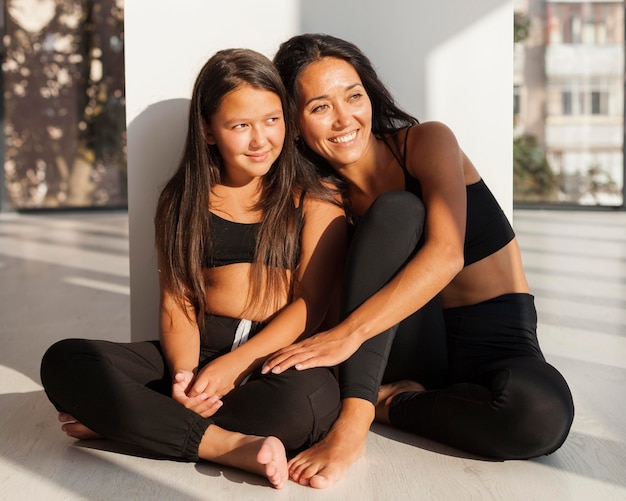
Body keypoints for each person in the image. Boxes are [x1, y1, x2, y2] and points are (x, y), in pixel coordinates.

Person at [263, 33, 575, 488]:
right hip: (404, 345)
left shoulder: (426, 142)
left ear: (369, 94)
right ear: (293, 123)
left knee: (541, 416)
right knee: (398, 211)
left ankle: (390, 405)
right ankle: (355, 420)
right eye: (320, 107)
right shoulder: (319, 197)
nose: (343, 118)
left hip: (497, 335)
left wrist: (347, 335)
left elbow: (447, 255)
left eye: (353, 96)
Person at [40, 47, 347, 489]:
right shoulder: (181, 200)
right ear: (207, 130)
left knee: (303, 407)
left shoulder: (314, 199)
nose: (261, 140)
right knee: (65, 361)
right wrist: (185, 380)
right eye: (241, 126)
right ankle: (224, 445)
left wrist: (234, 368)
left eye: (272, 120)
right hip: (200, 349)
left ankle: (128, 420)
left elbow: (310, 305)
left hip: (275, 358)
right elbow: (177, 301)